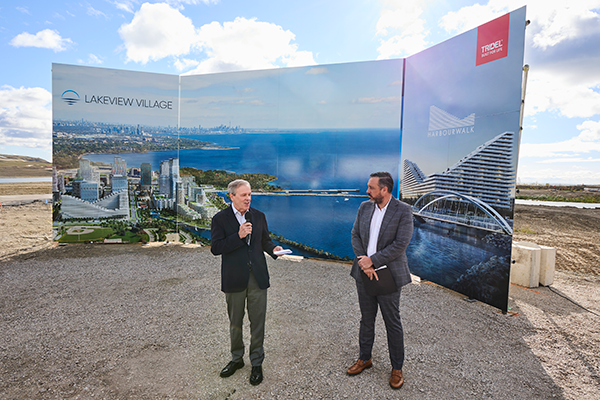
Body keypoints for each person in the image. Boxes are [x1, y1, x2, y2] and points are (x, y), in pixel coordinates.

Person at [210, 179, 283, 386]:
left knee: (257, 323)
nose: (248, 198)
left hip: (258, 277)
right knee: (235, 322)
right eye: (243, 195)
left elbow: (265, 241)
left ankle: (257, 363)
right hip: (234, 278)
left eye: (249, 194)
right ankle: (236, 359)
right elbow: (216, 248)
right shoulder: (220, 219)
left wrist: (274, 249)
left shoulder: (258, 216)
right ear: (231, 196)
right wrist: (239, 236)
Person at [347, 171, 414, 389]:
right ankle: (364, 358)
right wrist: (363, 262)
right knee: (366, 319)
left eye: (371, 188)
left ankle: (397, 368)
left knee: (392, 322)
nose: (367, 191)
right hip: (363, 273)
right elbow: (355, 235)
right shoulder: (364, 207)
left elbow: (401, 244)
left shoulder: (403, 211)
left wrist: (372, 261)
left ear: (384, 190)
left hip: (389, 275)